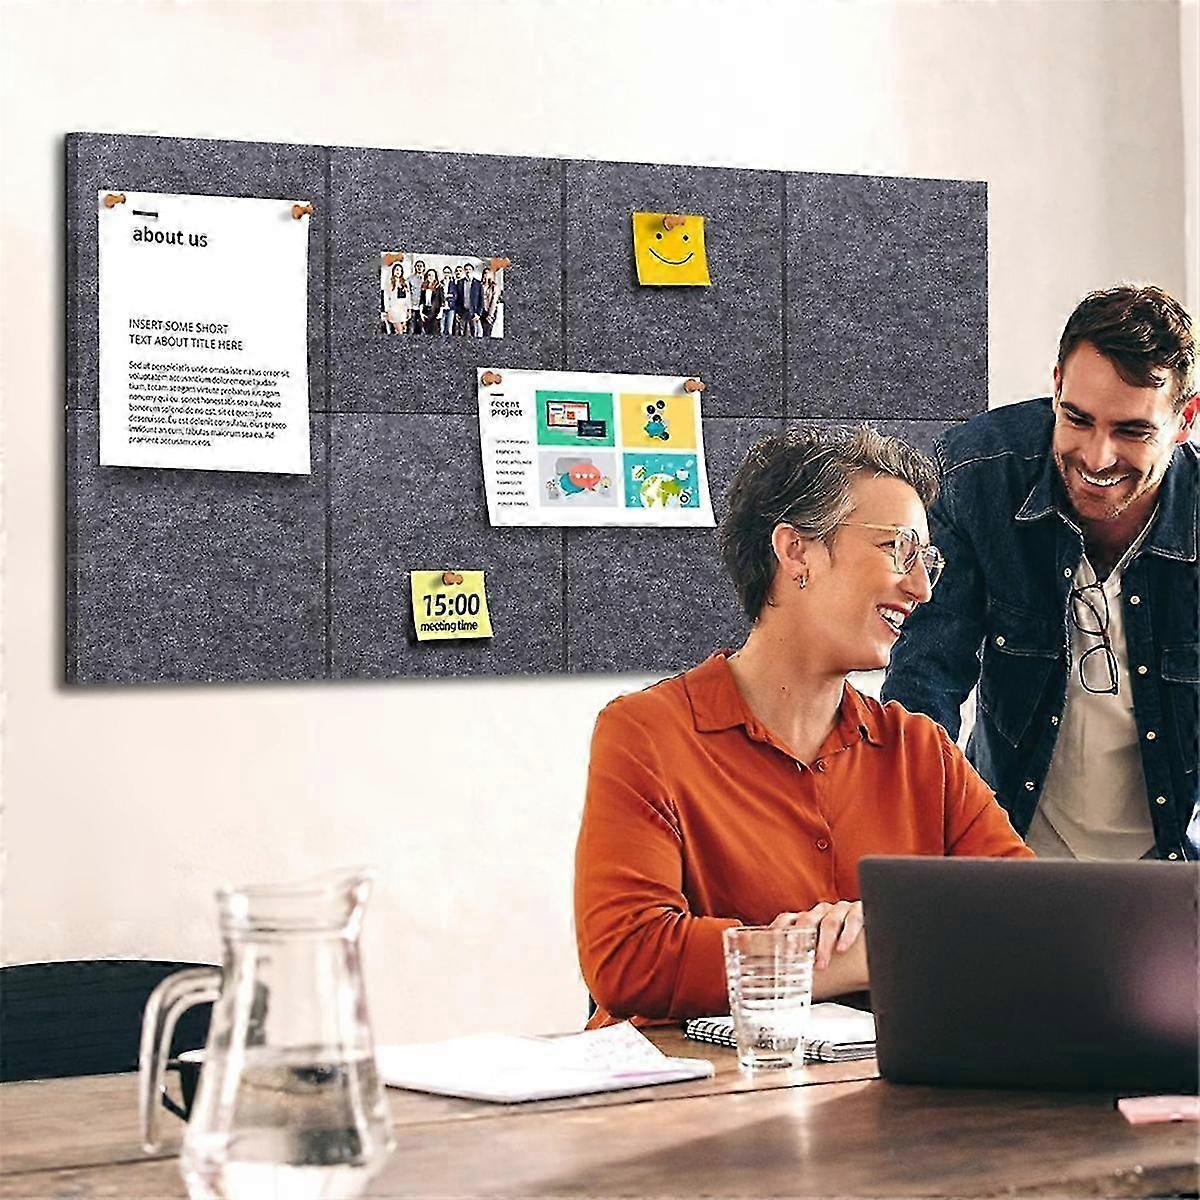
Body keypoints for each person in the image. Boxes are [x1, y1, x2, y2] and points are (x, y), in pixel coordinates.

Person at [575, 428, 1032, 1027]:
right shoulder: (645, 735)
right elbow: (629, 958)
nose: (921, 588)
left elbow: (1029, 922)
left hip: (880, 1103)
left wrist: (879, 936)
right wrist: (832, 959)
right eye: (899, 549)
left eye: (930, 561)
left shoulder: (921, 752)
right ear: (796, 553)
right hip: (692, 1106)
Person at [882, 285, 1198, 862]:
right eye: (1076, 418)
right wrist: (916, 853)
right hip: (1011, 850)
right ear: (1055, 385)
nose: (1097, 457)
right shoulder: (978, 474)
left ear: (1185, 420)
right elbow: (926, 676)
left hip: (1173, 872)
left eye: (1132, 431)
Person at [380, 262, 410, 336]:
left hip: (403, 309)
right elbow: (386, 297)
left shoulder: (405, 282)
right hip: (393, 308)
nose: (398, 272)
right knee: (399, 330)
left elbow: (408, 297)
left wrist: (409, 309)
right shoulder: (389, 282)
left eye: (400, 270)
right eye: (397, 270)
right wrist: (387, 310)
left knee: (403, 329)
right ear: (393, 271)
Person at [455, 263, 484, 336]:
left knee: (474, 332)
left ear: (472, 271)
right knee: (461, 333)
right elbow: (457, 299)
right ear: (464, 271)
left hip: (473, 312)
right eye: (466, 269)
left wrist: (478, 313)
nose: (468, 271)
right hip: (463, 311)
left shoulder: (478, 284)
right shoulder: (460, 282)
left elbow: (481, 300)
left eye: (469, 269)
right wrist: (457, 312)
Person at [419, 268, 442, 335]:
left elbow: (441, 300)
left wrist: (440, 312)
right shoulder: (424, 287)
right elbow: (421, 300)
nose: (430, 277)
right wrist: (421, 313)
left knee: (434, 332)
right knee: (425, 332)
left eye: (432, 275)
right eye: (429, 275)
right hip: (426, 312)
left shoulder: (438, 287)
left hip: (435, 312)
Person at [480, 265, 502, 338]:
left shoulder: (494, 287)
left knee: (487, 331)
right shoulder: (481, 285)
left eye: (488, 273)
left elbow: (494, 301)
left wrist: (490, 315)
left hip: (490, 311)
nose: (486, 275)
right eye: (484, 273)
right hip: (482, 310)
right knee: (482, 330)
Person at [408, 260, 426, 334]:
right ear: (415, 267)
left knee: (422, 328)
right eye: (417, 266)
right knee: (411, 327)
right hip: (413, 306)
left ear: (424, 268)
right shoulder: (410, 278)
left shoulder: (426, 278)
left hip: (423, 307)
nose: (419, 267)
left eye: (421, 266)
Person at [439, 265, 457, 336]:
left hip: (451, 307)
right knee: (441, 329)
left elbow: (455, 296)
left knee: (449, 329)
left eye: (448, 272)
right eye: (445, 272)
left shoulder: (453, 284)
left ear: (450, 274)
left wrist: (448, 296)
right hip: (442, 307)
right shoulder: (440, 283)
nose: (447, 274)